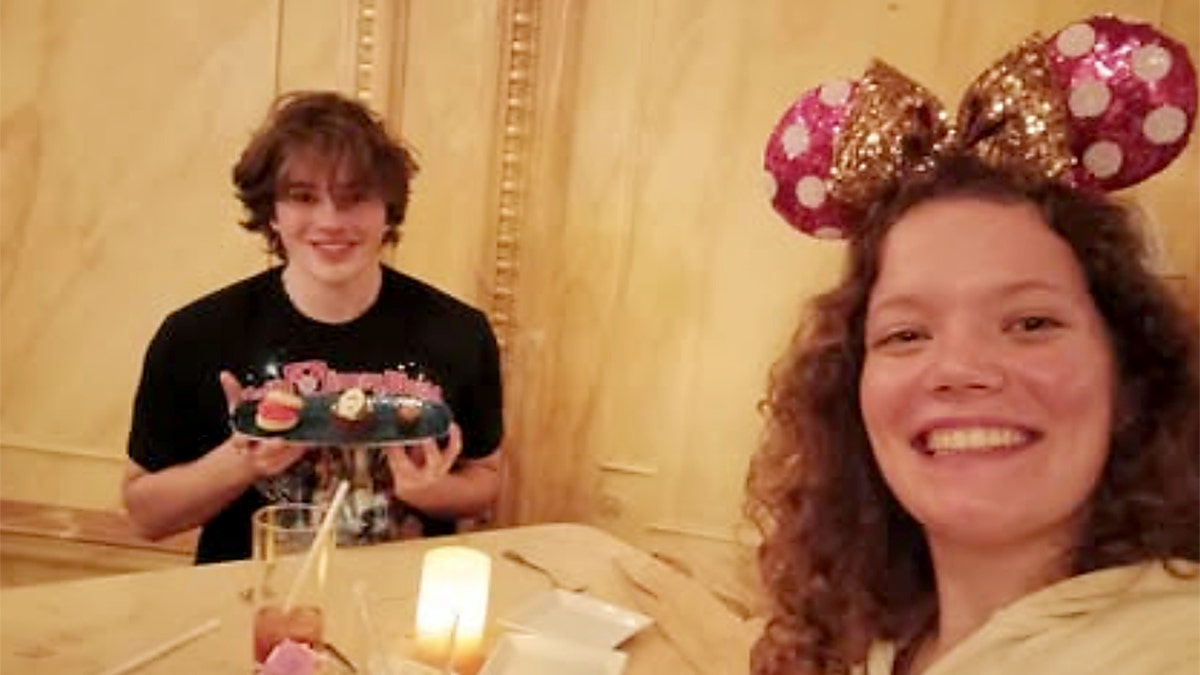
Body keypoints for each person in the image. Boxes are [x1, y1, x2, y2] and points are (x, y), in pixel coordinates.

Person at [746, 154, 1198, 674]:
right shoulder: (861, 638)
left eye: (1031, 323)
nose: (959, 369)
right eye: (906, 334)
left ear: (1129, 375)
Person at [122, 91, 504, 564]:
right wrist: (239, 463)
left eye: (355, 197)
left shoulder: (460, 331)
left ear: (388, 209)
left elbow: (485, 481)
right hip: (256, 608)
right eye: (303, 196)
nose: (330, 221)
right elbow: (146, 516)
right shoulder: (195, 335)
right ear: (272, 213)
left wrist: (433, 491)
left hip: (397, 611)